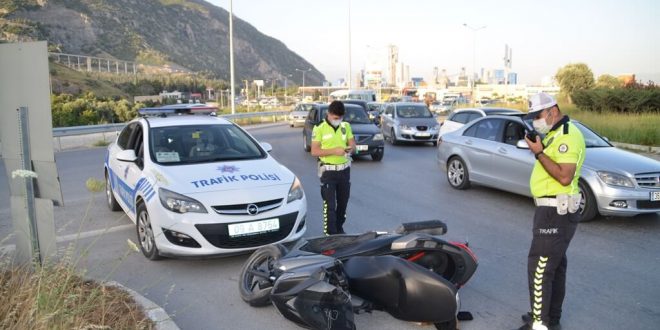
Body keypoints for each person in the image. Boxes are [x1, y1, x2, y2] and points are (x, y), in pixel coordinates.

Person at [516, 93, 586, 330]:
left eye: (537, 116)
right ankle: (549, 318)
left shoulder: (568, 135)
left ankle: (539, 324)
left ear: (552, 111)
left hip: (556, 211)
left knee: (540, 268)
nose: (536, 121)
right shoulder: (555, 134)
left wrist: (538, 153)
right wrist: (541, 149)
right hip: (554, 210)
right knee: (554, 267)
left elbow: (564, 177)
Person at [311, 101, 356, 235]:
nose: (338, 120)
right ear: (329, 114)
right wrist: (334, 151)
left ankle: (339, 229)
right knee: (330, 207)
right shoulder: (319, 128)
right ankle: (330, 235)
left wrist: (351, 149)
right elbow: (314, 151)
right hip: (328, 172)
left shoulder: (346, 126)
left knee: (343, 204)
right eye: (335, 118)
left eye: (340, 118)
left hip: (344, 171)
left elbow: (353, 144)